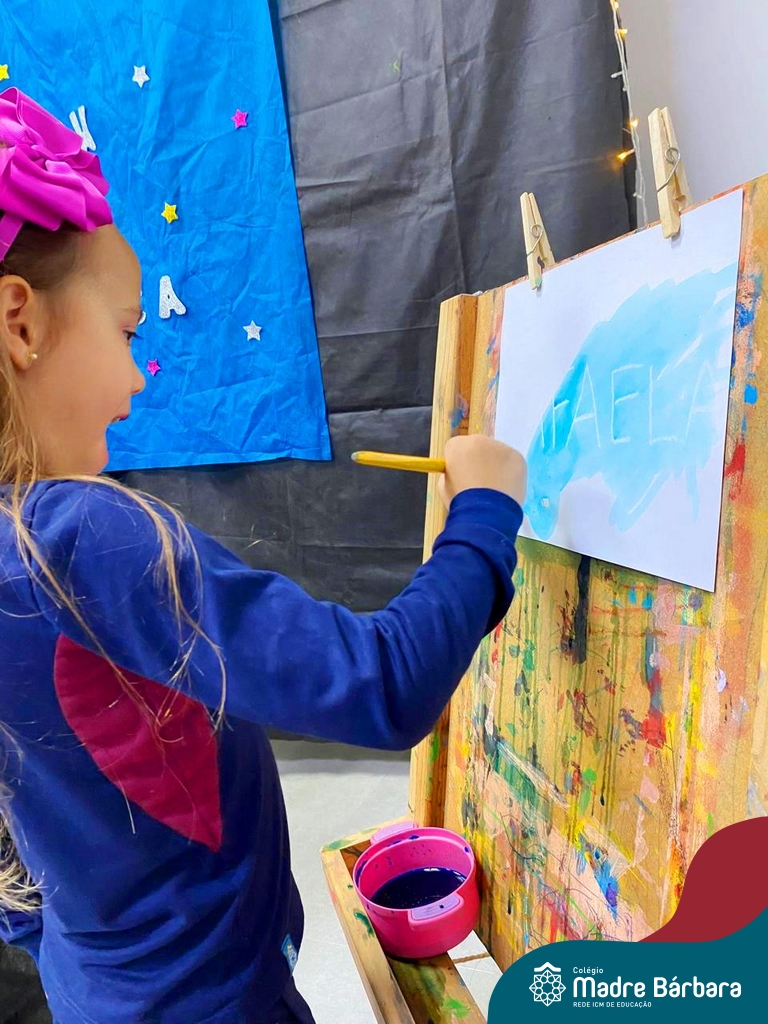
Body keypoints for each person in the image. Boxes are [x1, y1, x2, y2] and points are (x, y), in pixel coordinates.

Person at [0, 87, 527, 1023]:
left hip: (98, 995)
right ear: (22, 323)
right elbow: (382, 686)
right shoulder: (83, 538)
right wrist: (485, 510)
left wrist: (69, 954)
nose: (137, 378)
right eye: (126, 331)